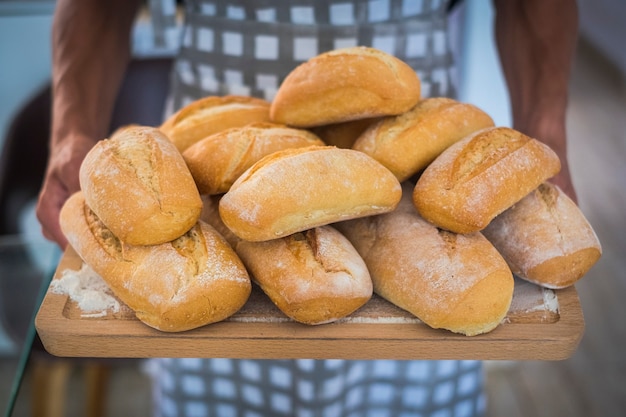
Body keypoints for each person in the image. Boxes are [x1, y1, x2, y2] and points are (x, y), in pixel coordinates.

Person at [36, 0, 579, 416]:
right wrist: (72, 132)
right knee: (211, 374)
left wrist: (544, 129)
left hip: (413, 149)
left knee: (423, 366)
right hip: (203, 171)